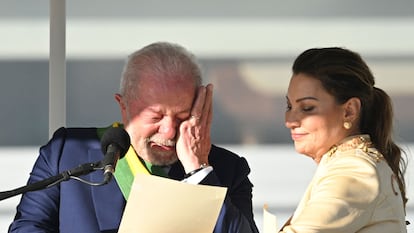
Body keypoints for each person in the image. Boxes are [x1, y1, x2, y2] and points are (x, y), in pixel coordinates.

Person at [8, 42, 259, 233]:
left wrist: (198, 170)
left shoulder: (227, 171)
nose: (169, 131)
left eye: (183, 116)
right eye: (155, 116)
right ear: (124, 106)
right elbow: (26, 228)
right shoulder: (65, 153)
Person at [280, 47, 409, 232]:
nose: (290, 121)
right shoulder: (351, 165)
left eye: (307, 108)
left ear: (349, 111)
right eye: (289, 106)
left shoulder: (355, 170)